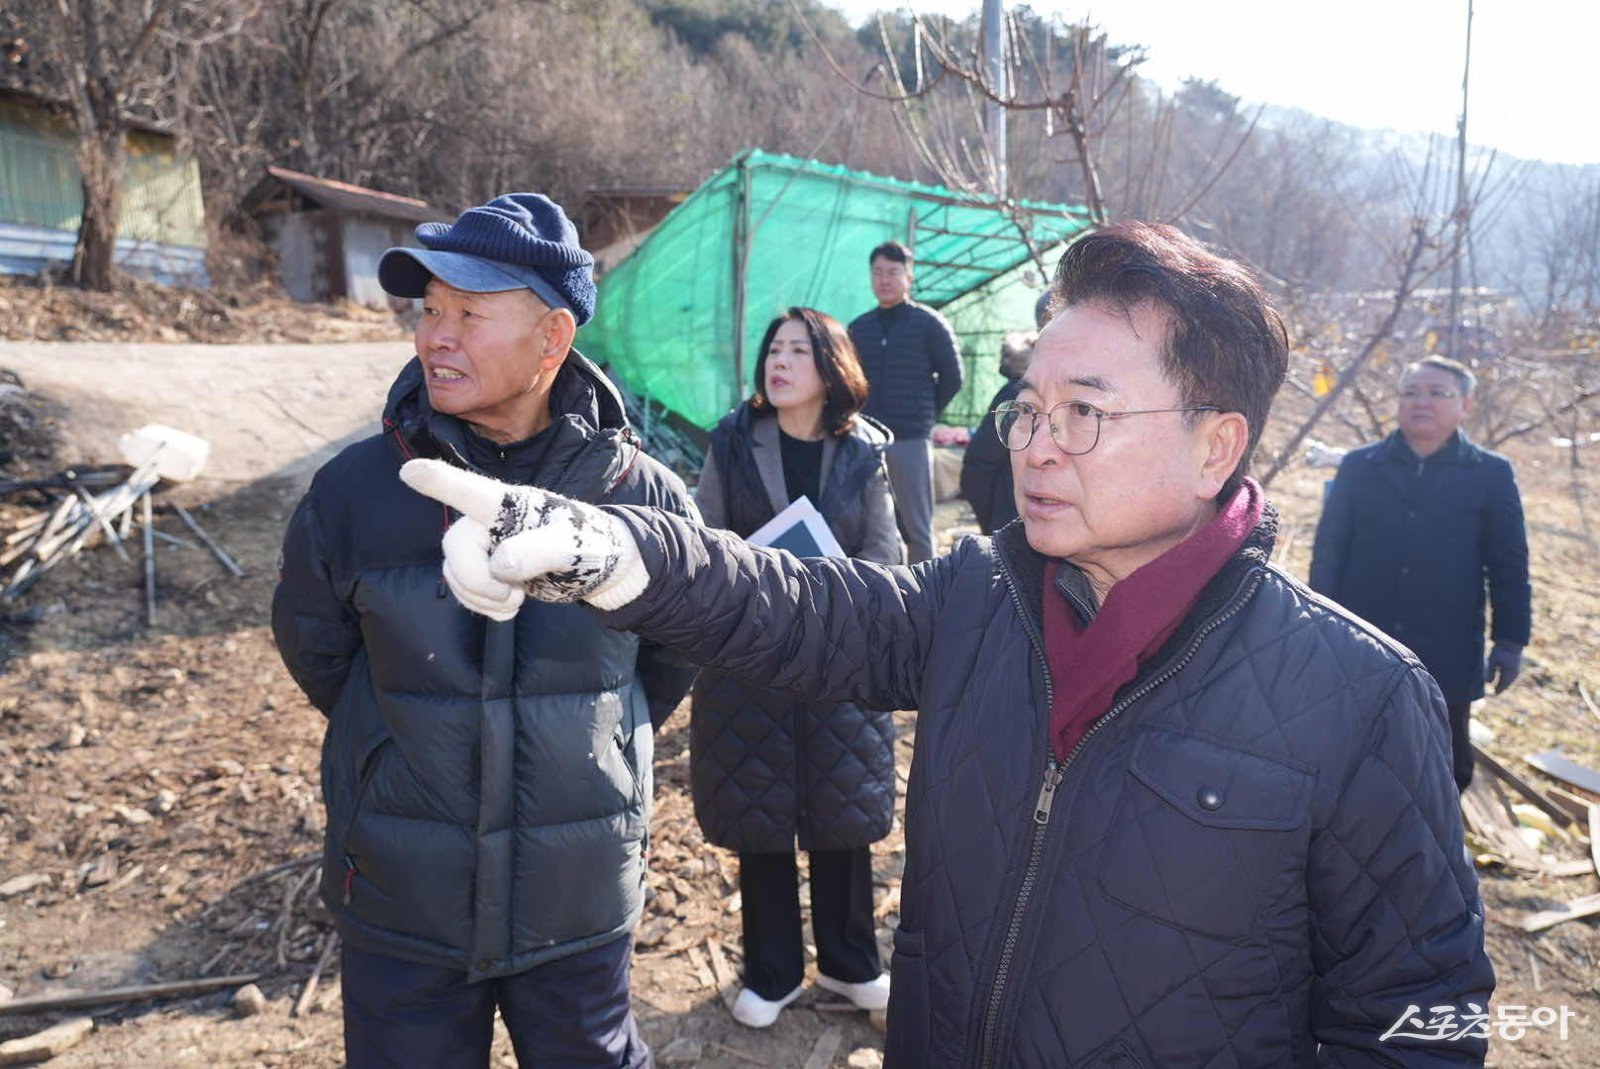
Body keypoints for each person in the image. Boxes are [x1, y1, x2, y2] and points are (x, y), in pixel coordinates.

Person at [400, 222, 1494, 1067]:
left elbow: (1421, 1021)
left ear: (1217, 445)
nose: (1036, 447)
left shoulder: (1356, 699)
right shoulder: (980, 598)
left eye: (1086, 414)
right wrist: (617, 550)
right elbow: (802, 605)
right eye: (1028, 409)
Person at [271, 193, 698, 1069]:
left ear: (552, 339)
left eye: (470, 312)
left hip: (576, 893)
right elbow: (319, 652)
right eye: (429, 309)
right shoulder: (358, 489)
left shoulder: (641, 496)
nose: (436, 334)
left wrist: (599, 748)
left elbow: (672, 657)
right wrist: (397, 751)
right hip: (403, 894)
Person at [693, 307, 902, 1028]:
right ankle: (772, 971)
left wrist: (844, 595)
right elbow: (706, 543)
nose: (778, 362)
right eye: (772, 349)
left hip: (838, 656)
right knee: (762, 814)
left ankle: (851, 963)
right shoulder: (730, 441)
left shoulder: (863, 451)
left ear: (831, 367)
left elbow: (887, 554)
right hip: (751, 656)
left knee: (842, 812)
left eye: (797, 351)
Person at [1310, 354, 1532, 791]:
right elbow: (1329, 552)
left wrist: (1511, 639)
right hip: (1361, 634)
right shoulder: (1360, 467)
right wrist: (1318, 625)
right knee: (1351, 750)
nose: (1421, 402)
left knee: (1444, 762)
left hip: (1446, 640)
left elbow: (1508, 564)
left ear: (1465, 406)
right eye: (1411, 392)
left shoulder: (1490, 474)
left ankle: (1436, 851)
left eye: (1437, 393)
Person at [848, 240, 963, 562]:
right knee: (869, 523)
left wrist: (923, 416)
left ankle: (924, 599)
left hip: (909, 439)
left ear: (909, 277)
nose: (884, 280)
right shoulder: (859, 328)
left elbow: (953, 378)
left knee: (916, 526)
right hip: (865, 439)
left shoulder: (929, 323)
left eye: (893, 272)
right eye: (878, 272)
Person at [958, 330, 1035, 534]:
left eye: (1008, 355)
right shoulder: (1018, 393)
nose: (1003, 360)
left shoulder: (1015, 396)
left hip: (1008, 509)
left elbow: (980, 460)